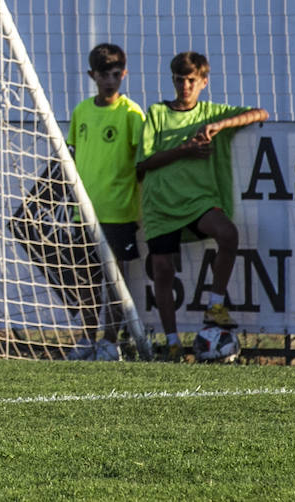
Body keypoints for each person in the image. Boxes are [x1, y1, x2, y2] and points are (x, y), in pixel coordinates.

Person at [136, 51, 268, 361]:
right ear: (173, 81)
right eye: (180, 80)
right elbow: (143, 164)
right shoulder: (155, 113)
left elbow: (260, 113)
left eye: (191, 80)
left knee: (228, 234)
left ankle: (215, 307)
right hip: (161, 204)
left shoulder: (212, 113)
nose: (185, 86)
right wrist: (184, 149)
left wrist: (221, 125)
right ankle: (171, 344)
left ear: (204, 82)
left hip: (198, 201)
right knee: (163, 271)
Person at [61, 43, 144, 362]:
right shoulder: (81, 111)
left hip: (118, 211)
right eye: (103, 75)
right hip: (83, 211)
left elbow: (141, 163)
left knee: (115, 279)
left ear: (123, 74)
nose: (110, 81)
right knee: (85, 278)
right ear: (91, 75)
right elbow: (73, 157)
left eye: (115, 74)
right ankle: (86, 338)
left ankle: (111, 341)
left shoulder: (131, 113)